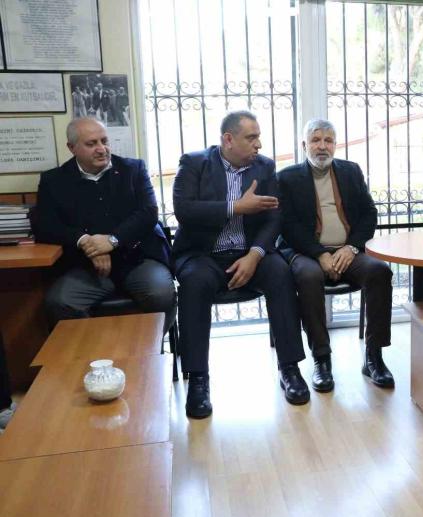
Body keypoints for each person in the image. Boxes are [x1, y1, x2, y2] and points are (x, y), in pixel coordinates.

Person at [172, 110, 306, 417]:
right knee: (194, 283)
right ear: (228, 140)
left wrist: (255, 254)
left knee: (281, 273)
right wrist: (236, 207)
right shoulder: (194, 164)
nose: (259, 144)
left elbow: (274, 218)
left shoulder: (264, 166)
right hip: (204, 255)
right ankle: (198, 378)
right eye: (252, 137)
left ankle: (290, 368)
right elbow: (185, 211)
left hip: (249, 253)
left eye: (259, 137)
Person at [277, 119, 394, 391]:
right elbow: (287, 225)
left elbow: (369, 214)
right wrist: (319, 254)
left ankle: (374, 357)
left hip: (347, 250)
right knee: (308, 277)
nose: (322, 146)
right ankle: (322, 359)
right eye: (315, 140)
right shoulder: (287, 178)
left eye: (328, 140)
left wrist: (351, 247)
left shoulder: (351, 171)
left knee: (379, 271)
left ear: (335, 145)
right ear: (304, 145)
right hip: (306, 252)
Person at [35, 117, 175, 332]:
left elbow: (148, 214)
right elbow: (46, 225)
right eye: (91, 144)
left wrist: (112, 241)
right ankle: (92, 350)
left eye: (104, 141)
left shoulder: (133, 169)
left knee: (161, 294)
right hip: (87, 266)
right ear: (72, 148)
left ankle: (149, 348)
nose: (101, 149)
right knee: (60, 302)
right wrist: (86, 242)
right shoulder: (54, 180)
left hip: (137, 258)